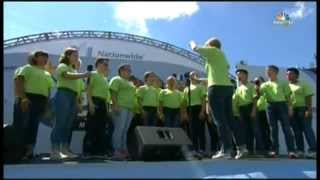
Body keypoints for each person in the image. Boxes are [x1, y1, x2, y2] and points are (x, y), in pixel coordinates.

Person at [190, 38, 237, 159]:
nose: (205, 46)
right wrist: (199, 80)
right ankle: (240, 147)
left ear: (211, 45)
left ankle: (226, 150)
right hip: (226, 88)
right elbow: (213, 77)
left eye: (206, 44)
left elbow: (195, 48)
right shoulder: (220, 56)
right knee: (229, 120)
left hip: (216, 89)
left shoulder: (213, 51)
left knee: (220, 121)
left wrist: (192, 42)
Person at [50, 47, 90, 160]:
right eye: (75, 55)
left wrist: (79, 103)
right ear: (68, 56)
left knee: (68, 125)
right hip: (63, 94)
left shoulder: (75, 71)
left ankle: (65, 150)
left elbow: (79, 90)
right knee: (60, 123)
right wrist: (83, 75)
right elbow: (65, 76)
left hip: (73, 97)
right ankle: (55, 150)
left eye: (77, 56)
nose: (77, 57)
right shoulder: (63, 66)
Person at [15, 50, 54, 159]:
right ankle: (18, 152)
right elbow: (19, 81)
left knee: (33, 127)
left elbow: (48, 91)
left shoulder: (47, 74)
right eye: (42, 56)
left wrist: (46, 107)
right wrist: (23, 98)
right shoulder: (27, 68)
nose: (45, 59)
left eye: (46, 57)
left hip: (40, 101)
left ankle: (29, 152)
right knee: (23, 126)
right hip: (27, 99)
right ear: (35, 57)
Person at [259, 65, 297, 158]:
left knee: (287, 129)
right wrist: (258, 87)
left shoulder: (283, 83)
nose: (267, 72)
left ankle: (291, 151)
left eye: (270, 70)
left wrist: (290, 108)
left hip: (282, 105)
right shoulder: (264, 85)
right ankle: (274, 151)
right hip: (270, 106)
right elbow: (260, 95)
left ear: (276, 72)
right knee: (273, 130)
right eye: (266, 70)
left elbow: (288, 97)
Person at [286, 67, 316, 159]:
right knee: (297, 132)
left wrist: (308, 110)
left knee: (307, 130)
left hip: (303, 109)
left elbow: (308, 98)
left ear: (296, 75)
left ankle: (313, 151)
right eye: (287, 74)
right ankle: (300, 151)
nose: (288, 76)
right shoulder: (286, 86)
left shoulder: (303, 84)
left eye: (291, 74)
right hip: (292, 111)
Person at [84, 57, 110, 156]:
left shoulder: (105, 78)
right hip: (95, 101)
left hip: (103, 103)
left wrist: (107, 108)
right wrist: (90, 103)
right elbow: (88, 89)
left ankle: (98, 151)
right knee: (91, 127)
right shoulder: (93, 74)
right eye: (104, 64)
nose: (106, 66)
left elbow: (106, 95)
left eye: (107, 65)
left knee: (101, 128)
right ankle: (87, 151)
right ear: (98, 64)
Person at [109, 64, 136, 160]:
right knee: (119, 129)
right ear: (121, 71)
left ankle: (124, 151)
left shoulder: (130, 83)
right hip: (121, 107)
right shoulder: (116, 79)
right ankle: (116, 151)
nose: (129, 71)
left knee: (125, 130)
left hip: (130, 109)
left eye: (130, 70)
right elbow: (113, 92)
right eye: (127, 70)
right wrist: (115, 105)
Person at [233, 69, 261, 157]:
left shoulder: (251, 86)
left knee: (255, 130)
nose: (238, 76)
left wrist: (253, 110)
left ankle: (260, 150)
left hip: (250, 108)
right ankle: (249, 150)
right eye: (237, 75)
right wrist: (237, 112)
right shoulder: (238, 88)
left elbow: (255, 99)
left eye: (240, 74)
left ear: (246, 75)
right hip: (242, 110)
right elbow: (236, 102)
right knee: (245, 131)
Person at [182, 71, 206, 155]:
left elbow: (203, 100)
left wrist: (202, 111)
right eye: (192, 75)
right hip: (190, 109)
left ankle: (202, 149)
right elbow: (184, 102)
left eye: (195, 74)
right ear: (189, 77)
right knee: (192, 130)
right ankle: (194, 149)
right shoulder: (186, 88)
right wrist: (185, 113)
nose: (193, 76)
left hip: (198, 108)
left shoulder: (201, 86)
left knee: (201, 130)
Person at [253, 76, 272, 156]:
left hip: (266, 111)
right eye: (255, 82)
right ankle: (259, 150)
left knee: (266, 131)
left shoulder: (267, 88)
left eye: (258, 81)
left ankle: (268, 149)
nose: (256, 83)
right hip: (257, 112)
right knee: (258, 131)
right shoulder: (254, 90)